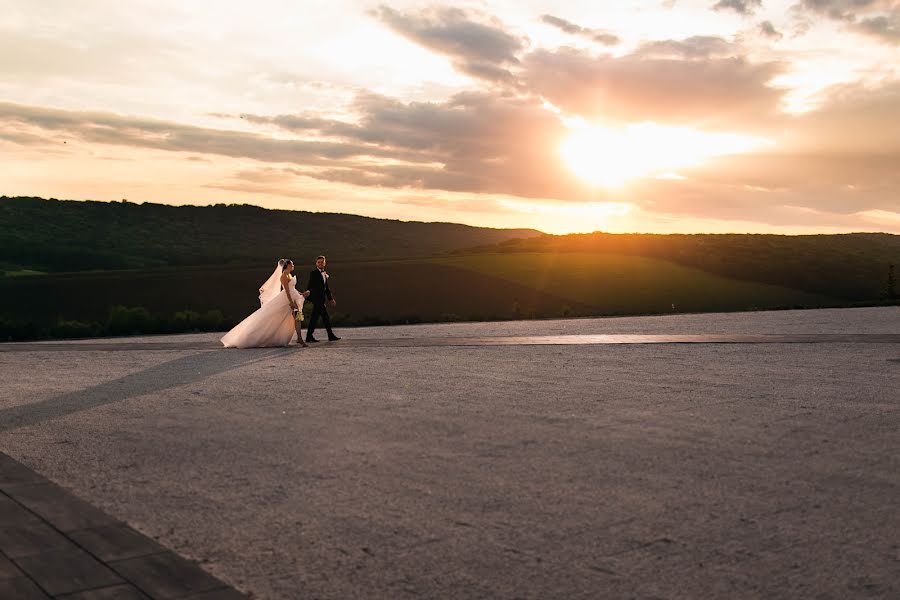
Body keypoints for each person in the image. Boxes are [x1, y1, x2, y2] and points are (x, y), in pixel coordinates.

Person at [221, 259, 310, 348]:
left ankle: (299, 338)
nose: (293, 265)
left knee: (296, 318)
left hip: (294, 298)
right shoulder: (283, 276)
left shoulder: (289, 275)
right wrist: (291, 303)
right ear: (287, 265)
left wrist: (301, 294)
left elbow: (292, 289)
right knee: (293, 318)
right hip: (287, 300)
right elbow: (287, 291)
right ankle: (299, 338)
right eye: (292, 264)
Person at [304, 255, 340, 342]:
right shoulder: (314, 273)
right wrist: (309, 291)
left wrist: (330, 299)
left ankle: (309, 336)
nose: (320, 263)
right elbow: (310, 285)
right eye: (318, 262)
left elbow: (326, 288)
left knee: (316, 318)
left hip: (321, 300)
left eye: (322, 262)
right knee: (324, 317)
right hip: (317, 300)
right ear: (316, 264)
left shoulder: (324, 273)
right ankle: (329, 335)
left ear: (324, 263)